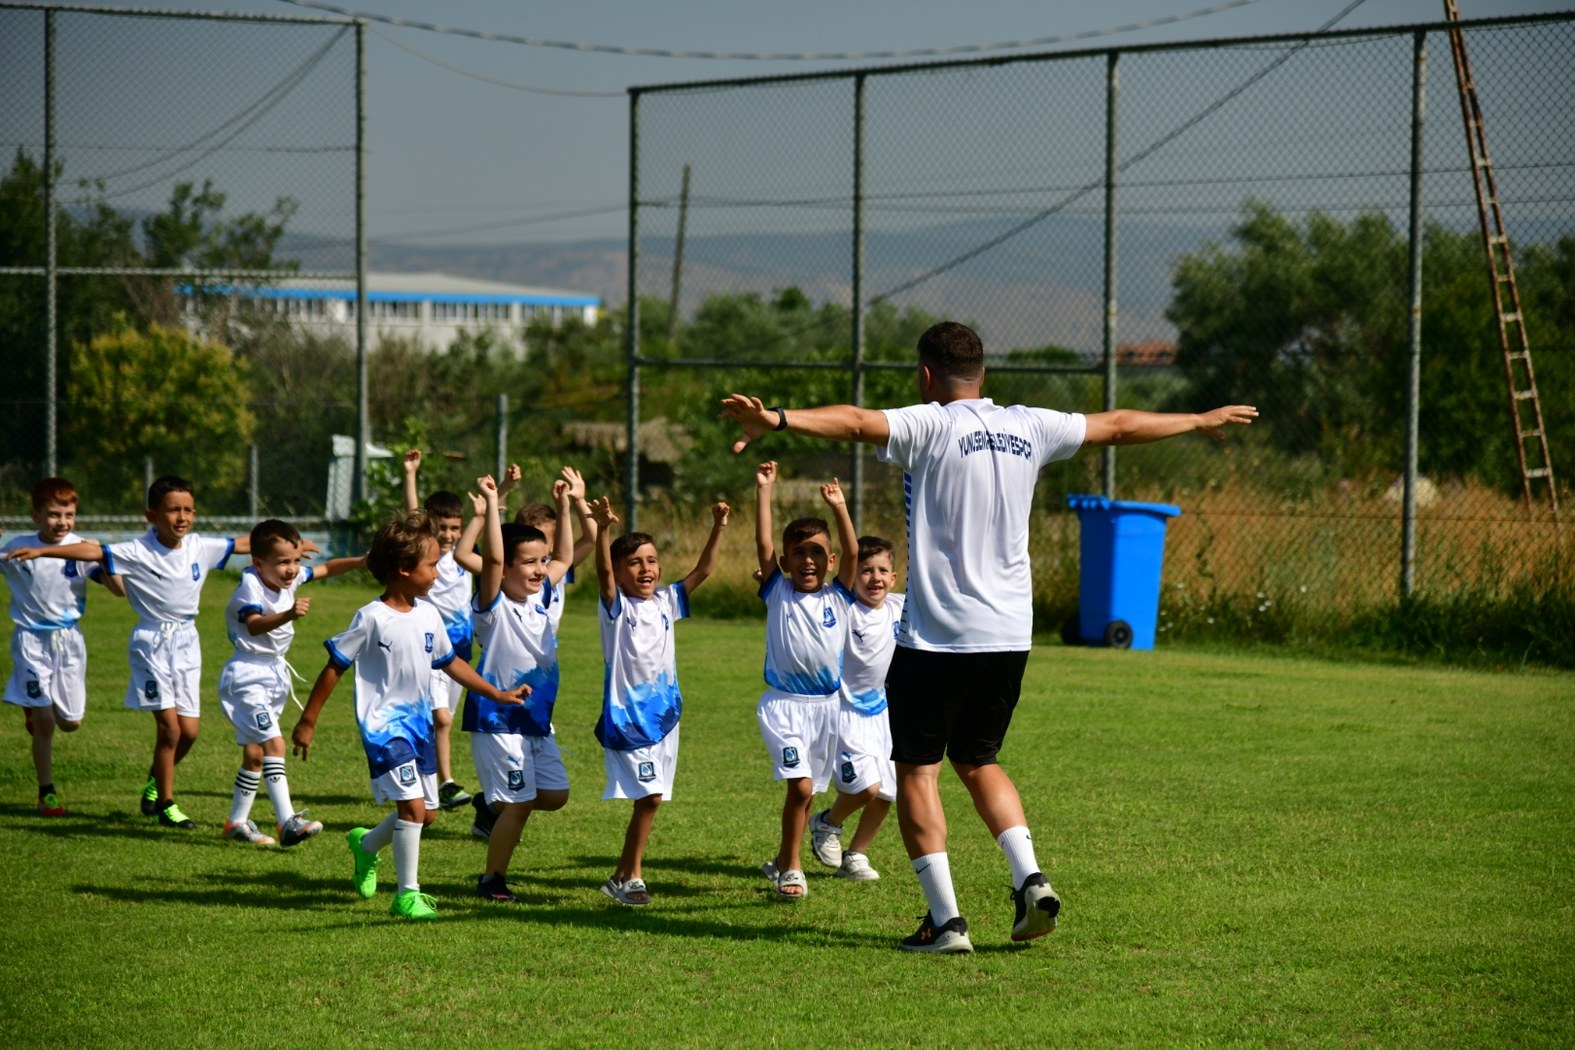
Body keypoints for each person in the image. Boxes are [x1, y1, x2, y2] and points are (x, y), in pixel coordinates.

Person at [719, 320, 1258, 953]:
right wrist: (1197, 418)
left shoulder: (929, 424)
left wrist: (779, 418)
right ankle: (1029, 878)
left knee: (917, 772)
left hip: (938, 638)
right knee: (979, 760)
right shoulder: (1030, 425)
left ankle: (946, 922)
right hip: (1010, 635)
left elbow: (859, 422)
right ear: (984, 375)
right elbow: (1116, 425)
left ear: (926, 378)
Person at [290, 511, 527, 921]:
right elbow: (334, 667)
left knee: (427, 814)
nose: (438, 572)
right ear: (403, 569)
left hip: (419, 728)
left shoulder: (429, 614)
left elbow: (452, 663)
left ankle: (365, 846)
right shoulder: (371, 617)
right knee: (413, 810)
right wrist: (308, 720)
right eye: (431, 564)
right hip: (385, 728)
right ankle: (407, 895)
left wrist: (496, 693)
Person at [7, 475, 268, 830]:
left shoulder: (198, 547)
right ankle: (167, 804)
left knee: (189, 732)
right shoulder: (137, 549)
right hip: (150, 644)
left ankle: (154, 784)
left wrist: (284, 545)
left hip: (187, 642)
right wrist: (42, 551)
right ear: (151, 514)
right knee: (169, 730)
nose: (182, 517)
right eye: (173, 509)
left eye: (188, 510)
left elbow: (240, 543)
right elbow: (94, 550)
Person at [587, 495, 728, 906]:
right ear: (617, 571)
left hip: (666, 719)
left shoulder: (666, 602)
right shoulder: (615, 607)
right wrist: (603, 529)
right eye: (634, 562)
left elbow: (704, 570)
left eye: (650, 560)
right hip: (628, 719)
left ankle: (621, 875)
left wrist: (718, 525)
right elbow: (600, 571)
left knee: (653, 800)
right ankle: (630, 877)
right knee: (648, 797)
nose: (645, 568)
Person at [463, 468, 589, 902]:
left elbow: (567, 558)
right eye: (529, 562)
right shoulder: (491, 605)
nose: (540, 570)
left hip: (536, 721)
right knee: (519, 803)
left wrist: (566, 505)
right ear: (505, 570)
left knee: (554, 795)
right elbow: (493, 561)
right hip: (497, 719)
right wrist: (492, 508)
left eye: (541, 560)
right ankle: (491, 880)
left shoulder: (543, 596)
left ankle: (489, 804)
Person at [217, 519, 365, 847]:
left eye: (296, 561)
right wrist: (288, 615)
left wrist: (361, 561)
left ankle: (236, 823)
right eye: (283, 562)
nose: (292, 570)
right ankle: (287, 822)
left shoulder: (286, 581)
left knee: (256, 753)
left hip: (272, 676)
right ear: (258, 563)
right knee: (274, 744)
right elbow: (254, 626)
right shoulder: (250, 587)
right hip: (246, 678)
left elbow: (325, 569)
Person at [752, 462, 855, 901]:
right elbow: (761, 542)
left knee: (808, 792)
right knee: (800, 786)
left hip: (827, 708)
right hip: (783, 706)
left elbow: (853, 552)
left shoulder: (839, 595)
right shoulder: (778, 591)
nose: (808, 560)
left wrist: (840, 508)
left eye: (817, 553)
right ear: (784, 561)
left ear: (829, 561)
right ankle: (793, 870)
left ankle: (781, 859)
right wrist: (764, 491)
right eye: (799, 553)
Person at [1, 477, 120, 816]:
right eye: (54, 514)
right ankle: (46, 792)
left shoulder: (81, 549)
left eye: (68, 514)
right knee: (45, 722)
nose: (62, 522)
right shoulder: (17, 548)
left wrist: (106, 558)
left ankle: (36, 708)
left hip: (69, 642)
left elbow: (118, 590)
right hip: (30, 641)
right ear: (36, 515)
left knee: (70, 722)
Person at [810, 501, 904, 883]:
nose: (874, 577)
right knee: (866, 787)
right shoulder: (843, 608)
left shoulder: (900, 608)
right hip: (844, 711)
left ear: (894, 577)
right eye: (865, 570)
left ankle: (856, 855)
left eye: (883, 570)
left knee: (888, 794)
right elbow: (810, 596)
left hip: (882, 713)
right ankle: (827, 823)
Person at [402, 449, 484, 811]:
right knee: (442, 718)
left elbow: (488, 522)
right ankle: (447, 783)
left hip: (460, 650)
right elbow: (412, 515)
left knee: (439, 721)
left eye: (455, 528)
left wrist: (506, 489)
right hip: (428, 648)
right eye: (443, 527)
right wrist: (410, 474)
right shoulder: (427, 552)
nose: (449, 534)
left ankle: (424, 775)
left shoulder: (466, 555)